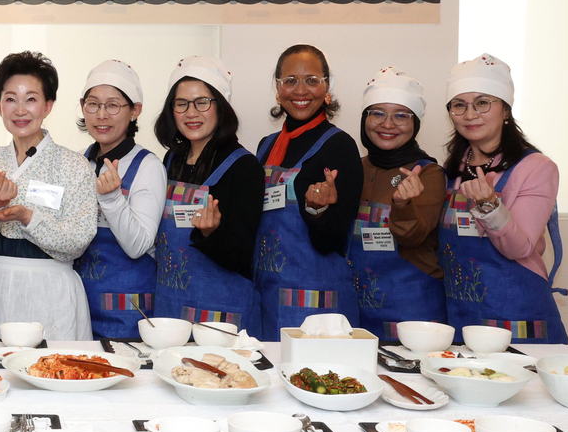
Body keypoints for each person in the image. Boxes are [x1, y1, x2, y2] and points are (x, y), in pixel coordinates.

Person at [0, 52, 98, 340]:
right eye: (11, 99)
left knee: (54, 365)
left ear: (48, 106)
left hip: (52, 289)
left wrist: (27, 217)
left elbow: (78, 240)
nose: (20, 110)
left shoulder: (74, 166)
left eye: (31, 99)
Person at [438, 54, 567, 343]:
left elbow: (520, 248)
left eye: (482, 102)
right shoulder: (451, 169)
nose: (470, 115)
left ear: (505, 109)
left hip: (516, 315)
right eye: (459, 105)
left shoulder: (536, 167)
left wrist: (491, 205)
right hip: (461, 314)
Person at [253, 44, 364, 339]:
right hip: (267, 296)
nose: (301, 90)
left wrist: (319, 211)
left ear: (327, 87)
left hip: (319, 310)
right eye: (290, 81)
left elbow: (333, 241)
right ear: (278, 89)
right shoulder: (265, 146)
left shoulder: (340, 146)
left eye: (312, 80)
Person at [151, 57, 265, 330]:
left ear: (221, 107)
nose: (191, 113)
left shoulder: (243, 166)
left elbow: (242, 255)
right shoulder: (171, 160)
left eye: (202, 102)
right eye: (181, 104)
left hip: (220, 317)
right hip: (170, 309)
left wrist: (212, 232)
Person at [71, 60, 166, 338]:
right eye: (93, 104)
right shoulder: (77, 162)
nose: (102, 115)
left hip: (128, 312)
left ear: (134, 111)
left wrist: (112, 199)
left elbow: (138, 245)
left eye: (113, 105)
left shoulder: (148, 166)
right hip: (78, 303)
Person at [351, 68, 448, 339]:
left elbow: (413, 237)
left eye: (401, 115)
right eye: (378, 113)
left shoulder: (428, 173)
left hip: (413, 307)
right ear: (365, 118)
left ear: (415, 123)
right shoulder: (353, 168)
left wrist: (403, 204)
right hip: (357, 306)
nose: (388, 124)